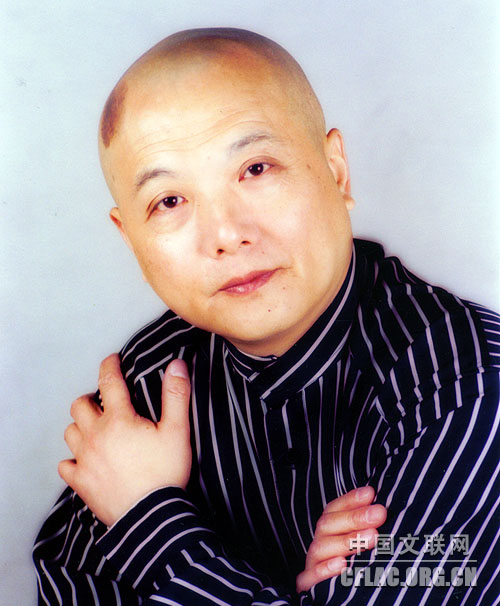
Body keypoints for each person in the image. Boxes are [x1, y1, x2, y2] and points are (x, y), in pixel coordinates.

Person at [33, 28, 499, 605]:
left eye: (256, 169)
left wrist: (147, 519)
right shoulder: (148, 383)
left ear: (336, 171)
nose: (227, 234)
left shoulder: (467, 390)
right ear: (130, 237)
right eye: (170, 201)